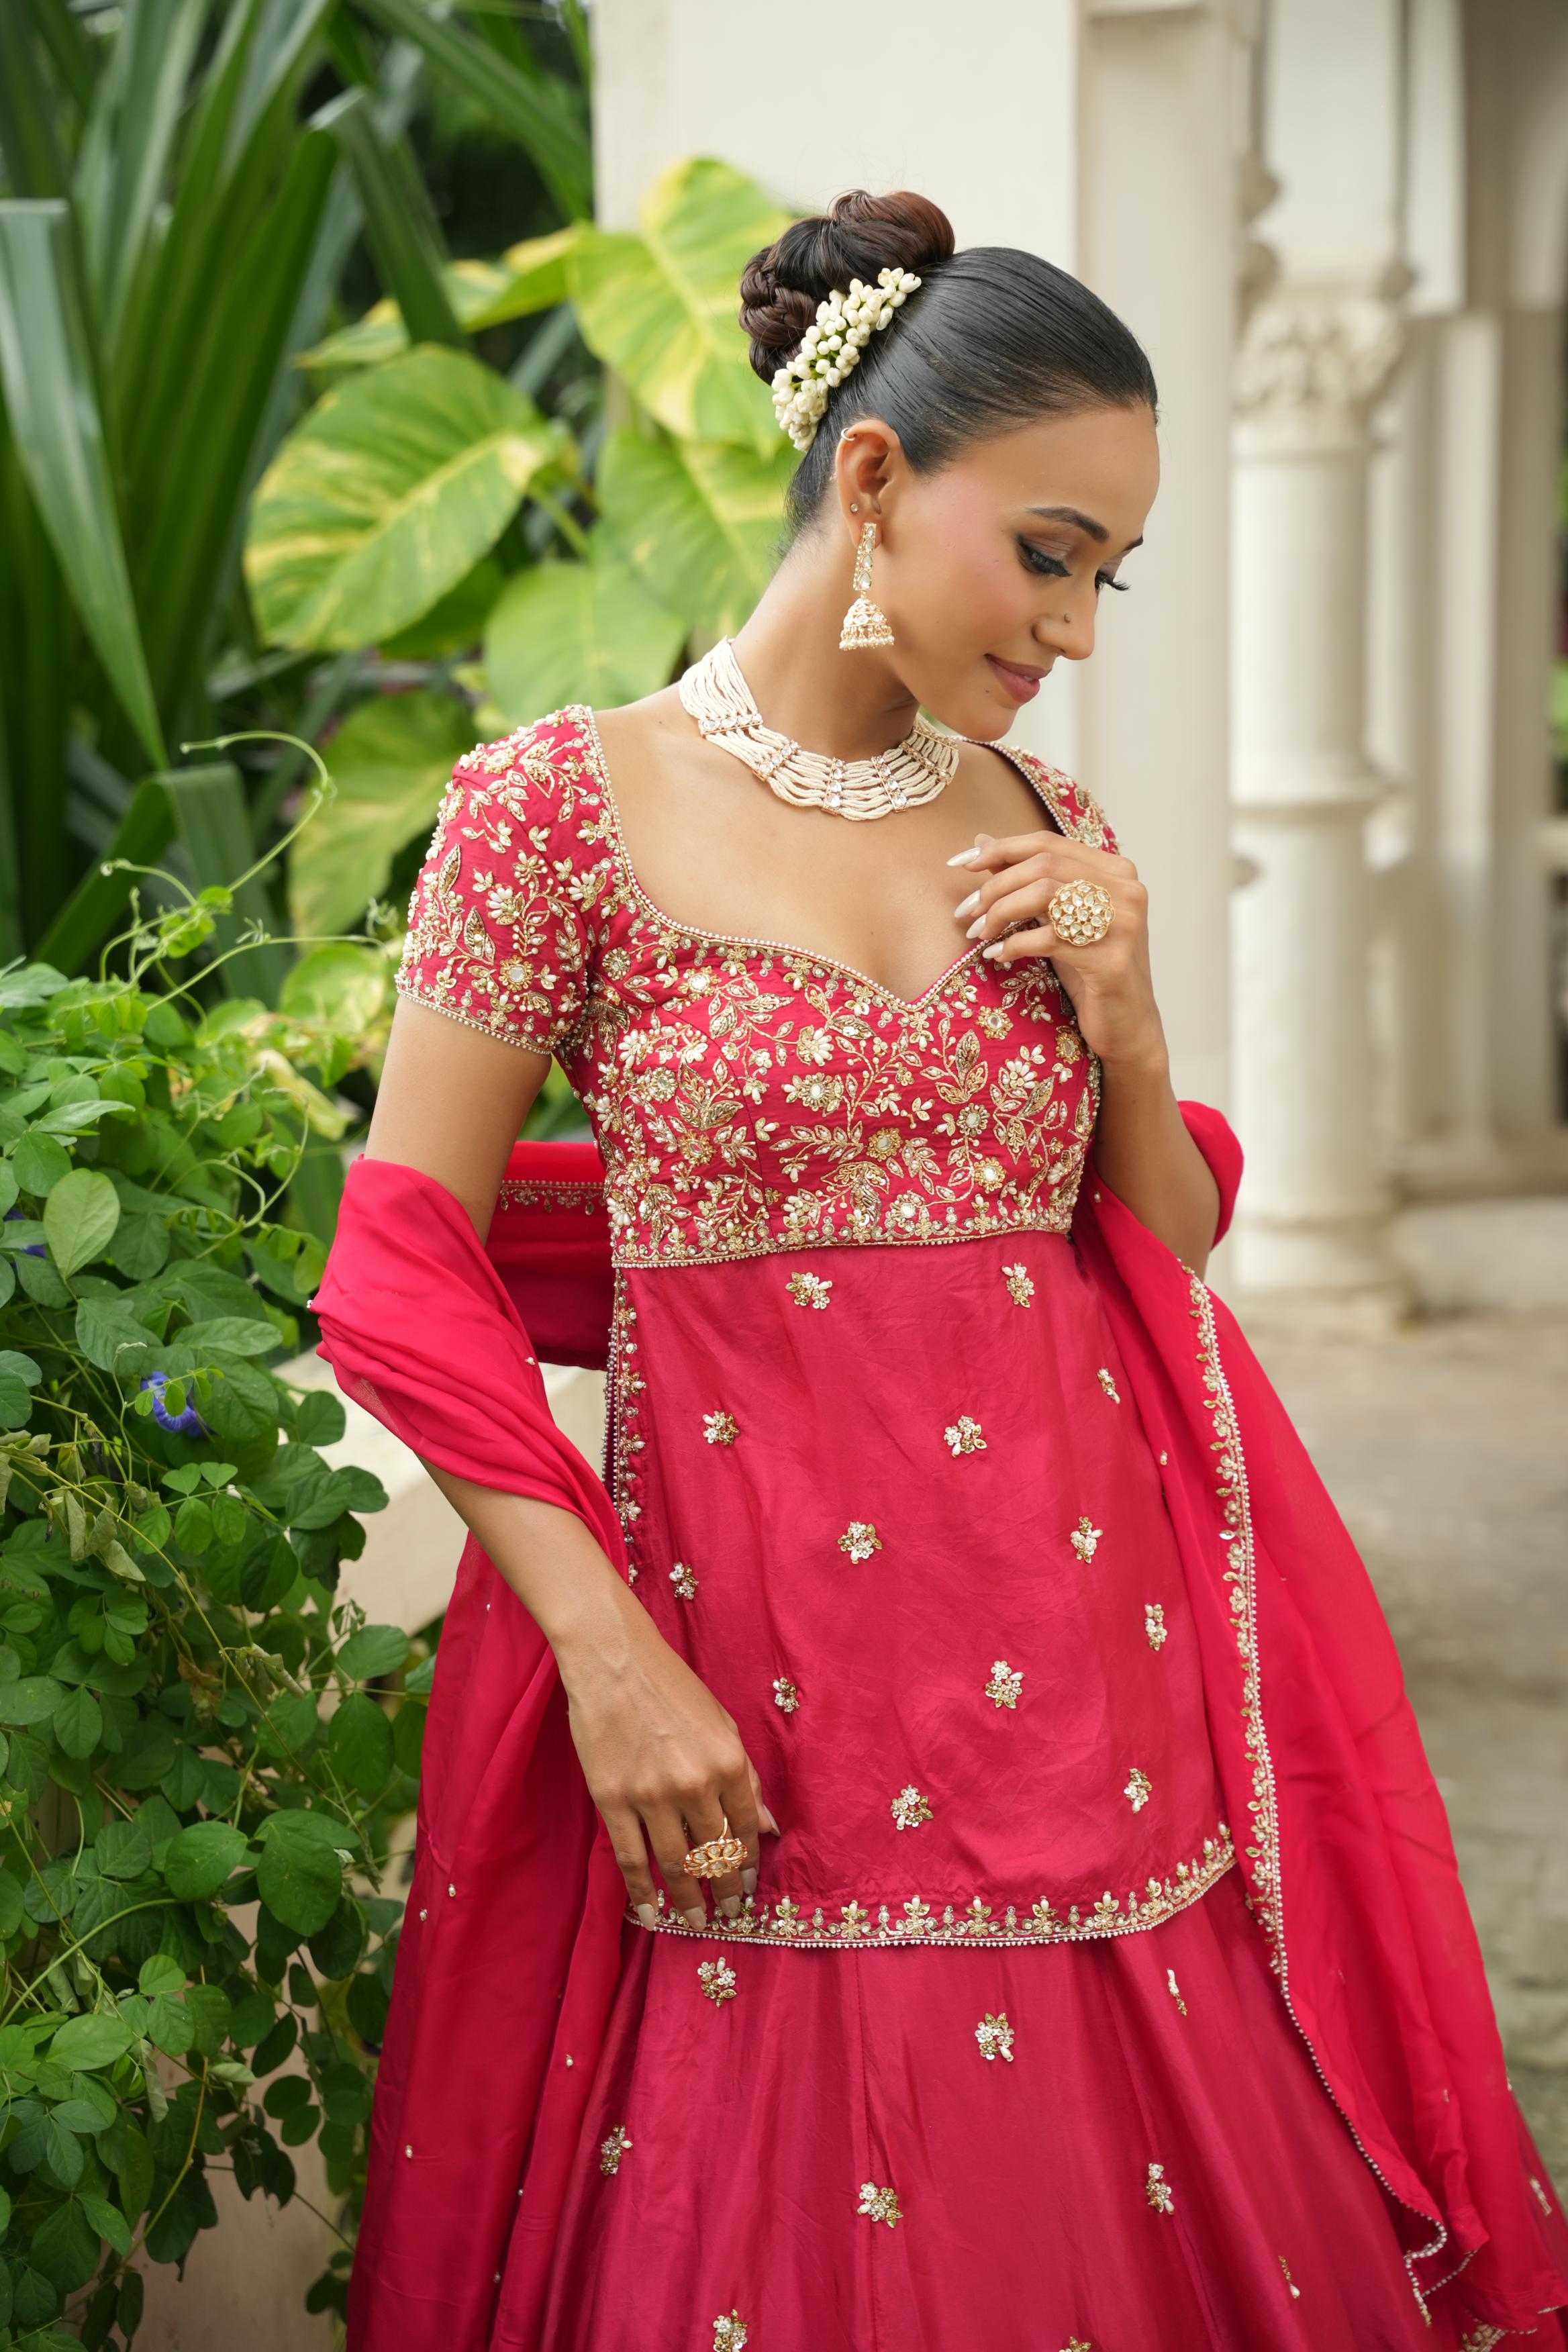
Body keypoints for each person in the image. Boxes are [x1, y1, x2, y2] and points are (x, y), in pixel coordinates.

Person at [314, 191, 1568, 2351]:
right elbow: (400, 1267)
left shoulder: (1042, 826)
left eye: (1112, 577)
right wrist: (605, 1656)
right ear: (876, 479)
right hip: (751, 1701)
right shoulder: (562, 813)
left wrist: (1138, 1026)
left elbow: (1153, 1261)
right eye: (1056, 551)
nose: (1079, 627)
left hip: (1083, 1694)